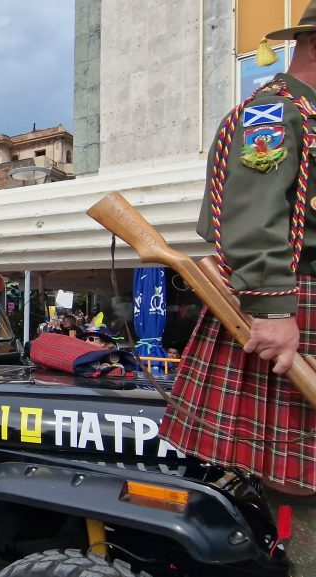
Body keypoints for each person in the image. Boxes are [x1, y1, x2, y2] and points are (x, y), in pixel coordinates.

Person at [160, 8, 316, 573]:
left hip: (299, 300)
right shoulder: (274, 109)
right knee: (300, 480)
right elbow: (252, 216)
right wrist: (274, 308)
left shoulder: (307, 114)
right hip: (290, 302)